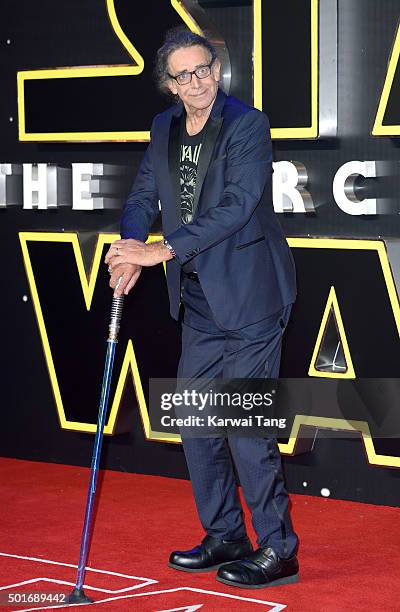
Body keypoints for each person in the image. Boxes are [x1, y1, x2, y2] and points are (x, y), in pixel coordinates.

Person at [105, 28, 299, 589]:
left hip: (252, 295)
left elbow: (240, 205)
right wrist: (128, 250)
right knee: (196, 421)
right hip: (198, 300)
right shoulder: (164, 127)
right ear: (168, 85)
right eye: (184, 75)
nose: (198, 82)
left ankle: (278, 550)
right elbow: (144, 195)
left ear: (218, 70)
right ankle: (225, 534)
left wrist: (159, 249)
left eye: (205, 69)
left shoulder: (247, 124)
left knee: (242, 425)